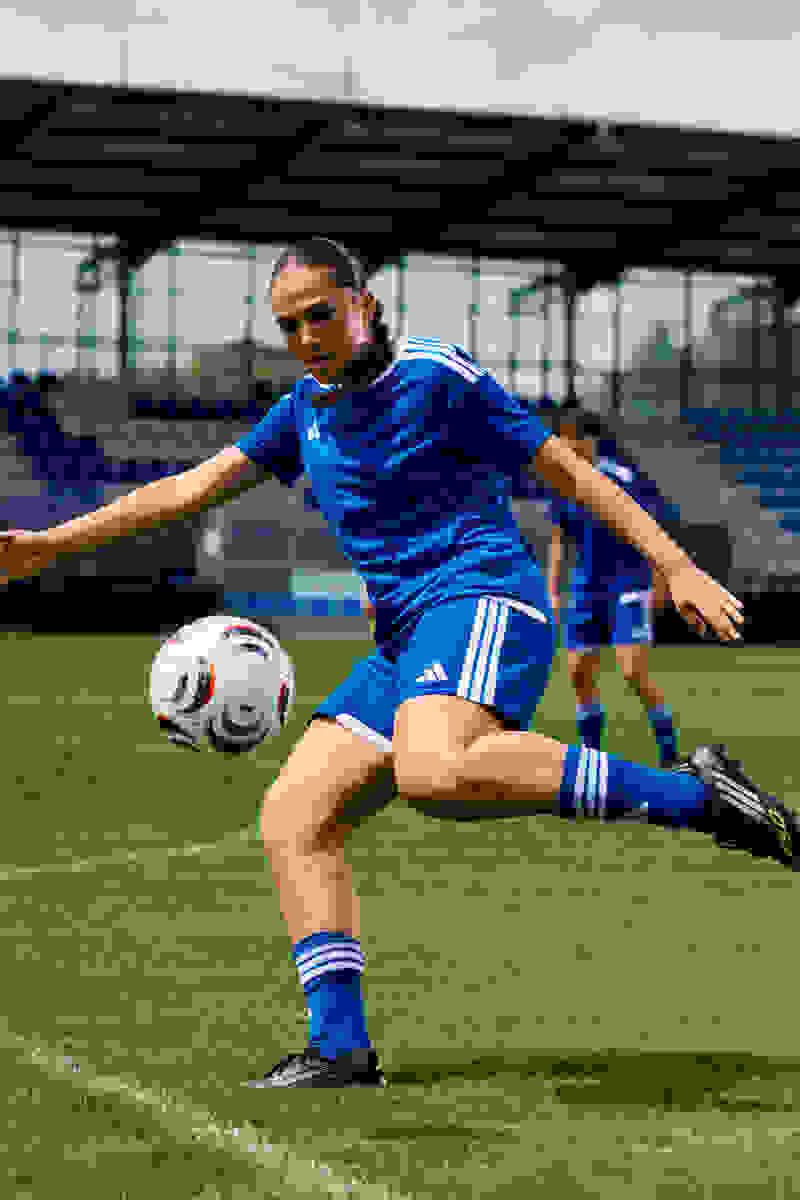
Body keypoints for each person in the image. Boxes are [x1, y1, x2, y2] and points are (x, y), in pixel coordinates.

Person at [0, 237, 795, 1095]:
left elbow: (566, 472)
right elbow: (188, 488)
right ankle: (340, 1049)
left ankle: (697, 799)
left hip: (485, 599)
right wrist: (50, 544)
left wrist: (675, 563)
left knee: (434, 770)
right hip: (407, 638)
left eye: (320, 315)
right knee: (296, 815)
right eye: (289, 326)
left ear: (364, 306)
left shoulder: (435, 377)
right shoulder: (301, 411)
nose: (306, 337)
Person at [546, 409, 679, 766]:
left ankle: (669, 755)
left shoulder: (622, 478)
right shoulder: (562, 482)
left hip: (628, 584)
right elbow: (560, 537)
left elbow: (651, 529)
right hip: (585, 588)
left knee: (633, 670)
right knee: (578, 671)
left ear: (587, 441)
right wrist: (553, 588)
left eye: (570, 438)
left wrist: (662, 578)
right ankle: (591, 758)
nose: (564, 445)